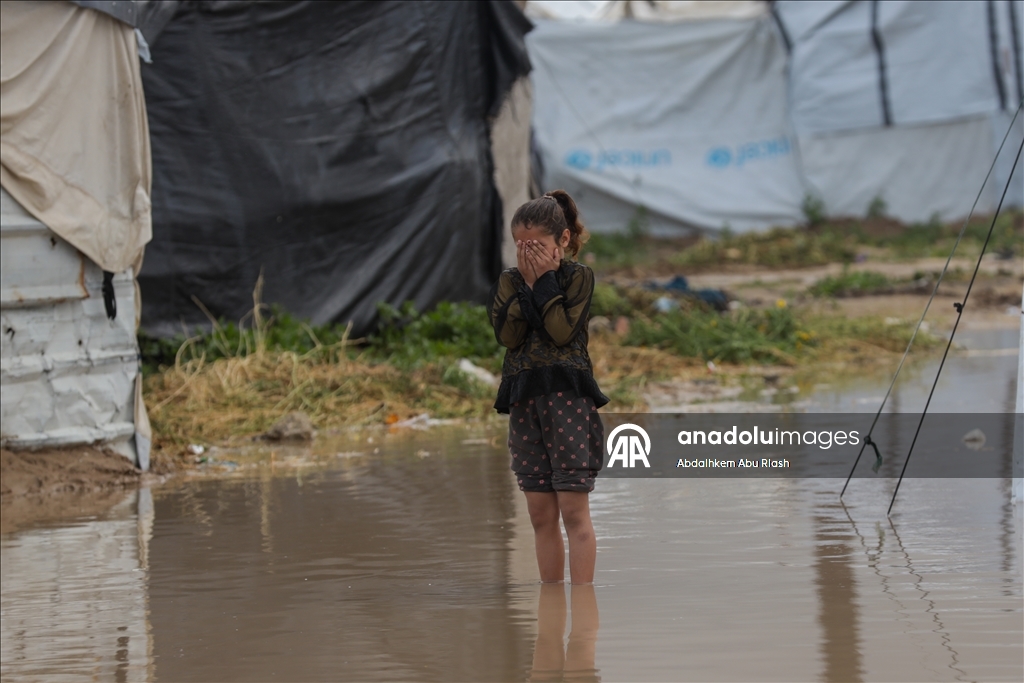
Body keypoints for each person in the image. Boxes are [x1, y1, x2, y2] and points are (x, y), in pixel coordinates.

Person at [488, 190, 609, 585]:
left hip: (568, 401)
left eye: (536, 246)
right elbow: (508, 336)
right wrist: (526, 284)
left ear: (563, 242)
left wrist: (543, 283)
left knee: (574, 512)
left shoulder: (577, 278)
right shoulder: (510, 281)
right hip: (525, 400)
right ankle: (551, 600)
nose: (527, 254)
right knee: (540, 514)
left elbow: (559, 332)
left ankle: (584, 613)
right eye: (520, 247)